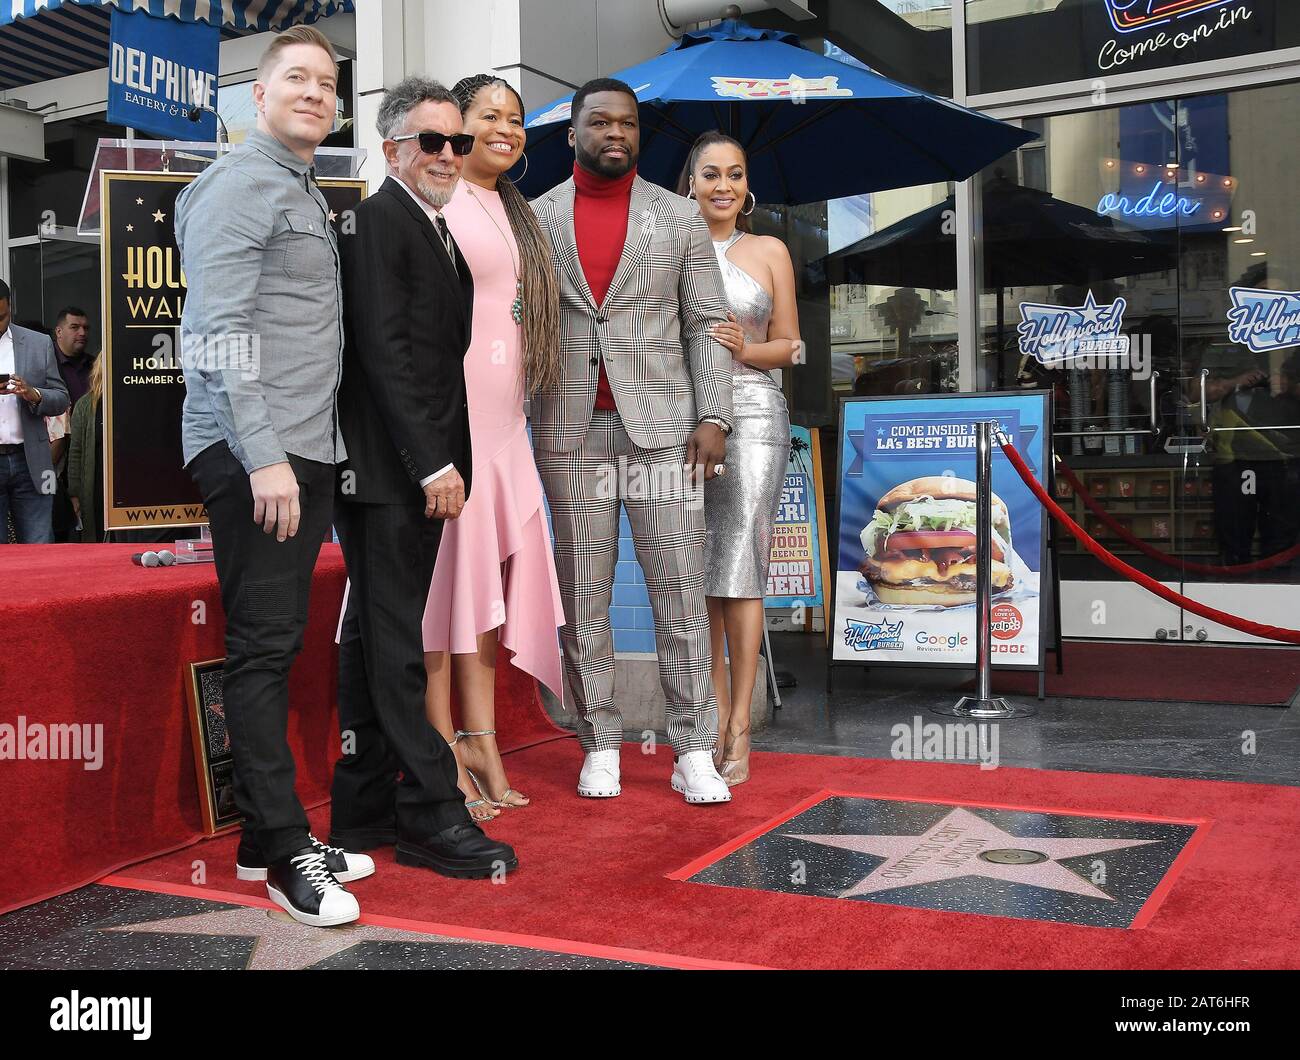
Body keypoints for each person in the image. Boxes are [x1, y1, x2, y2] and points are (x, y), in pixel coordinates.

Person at [176, 26, 371, 928]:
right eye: (296, 79)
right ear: (256, 95)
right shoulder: (236, 186)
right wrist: (262, 455)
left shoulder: (302, 186)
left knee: (279, 645)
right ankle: (289, 852)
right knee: (262, 652)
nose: (314, 94)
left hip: (307, 447)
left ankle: (262, 842)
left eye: (327, 84)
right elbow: (214, 335)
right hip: (260, 451)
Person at [330, 76, 518, 879]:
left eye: (457, 142)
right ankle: (431, 813)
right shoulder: (379, 222)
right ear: (391, 149)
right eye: (431, 142)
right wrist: (432, 460)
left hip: (407, 469)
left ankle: (363, 806)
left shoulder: (429, 224)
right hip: (389, 472)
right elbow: (384, 352)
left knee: (380, 635)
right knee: (398, 643)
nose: (448, 155)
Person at [530, 78, 735, 805]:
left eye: (627, 123)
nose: (614, 132)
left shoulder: (677, 216)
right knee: (583, 597)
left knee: (678, 592)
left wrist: (715, 416)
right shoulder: (534, 218)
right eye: (599, 122)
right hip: (569, 429)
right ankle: (601, 743)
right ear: (573, 132)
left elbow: (707, 325)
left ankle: (693, 750)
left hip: (666, 434)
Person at [418, 73, 566, 822]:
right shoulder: (435, 202)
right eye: (489, 117)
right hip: (456, 418)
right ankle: (440, 744)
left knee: (484, 592)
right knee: (446, 586)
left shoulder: (520, 212)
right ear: (457, 126)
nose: (506, 129)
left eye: (515, 119)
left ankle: (482, 737)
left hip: (508, 418)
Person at [677, 132, 800, 786]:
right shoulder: (672, 246)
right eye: (709, 174)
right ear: (690, 183)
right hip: (685, 424)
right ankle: (711, 718)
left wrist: (740, 347)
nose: (722, 185)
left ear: (746, 185)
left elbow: (794, 347)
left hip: (753, 415)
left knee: (742, 566)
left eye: (734, 174)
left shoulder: (770, 249)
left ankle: (742, 725)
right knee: (700, 577)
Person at [0, 278, 70, 544]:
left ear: (11, 308)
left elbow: (62, 398)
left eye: (1, 317)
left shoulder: (38, 343)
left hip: (32, 460)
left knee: (40, 544)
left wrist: (34, 394)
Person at [50, 307, 93, 541]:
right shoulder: (48, 365)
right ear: (59, 331)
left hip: (84, 455)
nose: (82, 333)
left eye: (85, 328)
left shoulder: (95, 366)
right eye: (74, 327)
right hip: (54, 457)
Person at [67, 352, 104, 542]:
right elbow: (75, 452)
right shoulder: (85, 405)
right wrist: (74, 494)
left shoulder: (133, 403)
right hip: (95, 485)